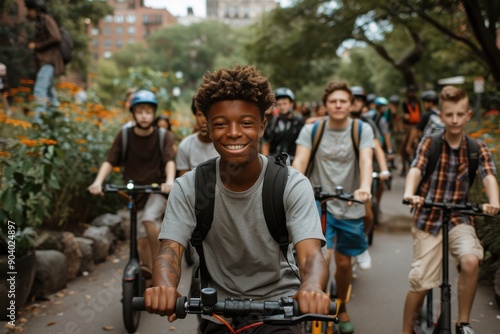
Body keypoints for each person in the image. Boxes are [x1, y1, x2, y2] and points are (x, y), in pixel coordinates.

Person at [144, 65, 330, 333]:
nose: (233, 132)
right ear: (207, 127)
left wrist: (311, 287)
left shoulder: (291, 184)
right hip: (218, 311)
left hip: (280, 308)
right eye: (220, 123)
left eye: (246, 123)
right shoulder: (189, 187)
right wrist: (164, 285)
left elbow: (311, 255)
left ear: (262, 126)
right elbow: (169, 253)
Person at [402, 85, 499, 334]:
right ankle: (405, 330)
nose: (454, 120)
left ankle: (462, 323)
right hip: (428, 218)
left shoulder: (477, 148)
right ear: (441, 116)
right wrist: (410, 193)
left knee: (470, 261)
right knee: (421, 280)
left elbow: (488, 176)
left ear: (467, 115)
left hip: (460, 218)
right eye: (449, 114)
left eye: (459, 114)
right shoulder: (430, 143)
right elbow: (416, 168)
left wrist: (494, 201)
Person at [293, 81, 374, 334]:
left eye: (343, 101)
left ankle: (342, 305)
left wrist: (364, 186)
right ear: (325, 105)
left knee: (344, 263)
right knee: (321, 257)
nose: (338, 105)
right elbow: (300, 161)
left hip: (350, 202)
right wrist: (294, 187)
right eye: (333, 101)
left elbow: (366, 160)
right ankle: (314, 304)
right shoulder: (313, 130)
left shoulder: (362, 129)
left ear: (351, 104)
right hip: (317, 203)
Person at [88, 89, 176, 275]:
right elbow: (110, 160)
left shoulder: (163, 136)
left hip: (156, 191)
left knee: (149, 219)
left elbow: (169, 161)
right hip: (134, 193)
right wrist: (98, 182)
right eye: (140, 111)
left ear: (153, 113)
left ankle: (161, 267)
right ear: (133, 113)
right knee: (140, 238)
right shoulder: (125, 135)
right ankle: (148, 273)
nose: (144, 116)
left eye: (148, 111)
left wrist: (169, 181)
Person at [350, 86, 391, 270]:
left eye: (359, 99)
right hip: (341, 175)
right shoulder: (338, 121)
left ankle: (361, 240)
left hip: (364, 174)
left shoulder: (368, 124)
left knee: (367, 214)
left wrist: (383, 169)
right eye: (353, 99)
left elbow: (377, 148)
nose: (356, 102)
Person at [24, 0, 64, 124]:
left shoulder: (46, 19)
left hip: (49, 61)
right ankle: (61, 123)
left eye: (29, 9)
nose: (27, 12)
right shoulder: (40, 21)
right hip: (46, 62)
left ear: (35, 9)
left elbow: (56, 37)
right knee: (50, 95)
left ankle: (39, 124)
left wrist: (37, 45)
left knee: (39, 91)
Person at [176, 97, 218, 177]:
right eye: (200, 115)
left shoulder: (223, 143)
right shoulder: (185, 145)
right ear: (195, 115)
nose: (204, 120)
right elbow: (183, 180)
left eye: (207, 114)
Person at [262, 87, 304, 163]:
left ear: (291, 104)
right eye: (279, 104)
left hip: (293, 162)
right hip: (274, 162)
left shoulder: (299, 122)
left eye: (285, 103)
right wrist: (266, 162)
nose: (282, 107)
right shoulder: (272, 122)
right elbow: (266, 143)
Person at [405, 89, 444, 157]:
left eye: (424, 102)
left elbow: (415, 130)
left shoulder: (427, 115)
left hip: (428, 145)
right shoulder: (440, 114)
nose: (423, 104)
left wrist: (409, 145)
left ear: (430, 103)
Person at [400, 85, 422, 176]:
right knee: (403, 145)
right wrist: (405, 116)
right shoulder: (405, 103)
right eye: (411, 92)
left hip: (417, 126)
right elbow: (403, 115)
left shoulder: (417, 102)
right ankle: (404, 167)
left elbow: (420, 114)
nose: (412, 94)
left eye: (413, 92)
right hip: (408, 127)